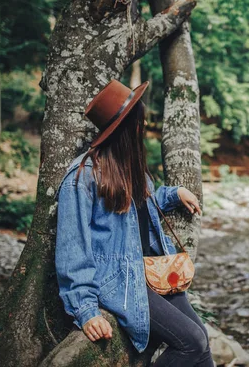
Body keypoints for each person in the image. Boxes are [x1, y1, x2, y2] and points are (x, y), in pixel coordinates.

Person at [54, 79, 213, 367]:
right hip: (120, 280)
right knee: (192, 343)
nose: (143, 128)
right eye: (138, 121)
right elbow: (72, 251)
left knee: (202, 337)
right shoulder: (81, 178)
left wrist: (175, 193)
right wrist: (86, 310)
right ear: (127, 128)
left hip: (150, 272)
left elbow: (145, 205)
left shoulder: (129, 167)